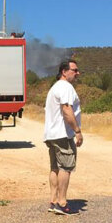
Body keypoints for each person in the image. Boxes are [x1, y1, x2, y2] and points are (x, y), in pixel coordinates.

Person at [43, 59, 83, 215]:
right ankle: (62, 203)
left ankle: (53, 201)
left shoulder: (54, 88)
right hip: (63, 134)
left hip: (51, 135)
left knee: (55, 168)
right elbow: (67, 109)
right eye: (74, 70)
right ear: (64, 72)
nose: (77, 73)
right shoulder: (66, 87)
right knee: (66, 168)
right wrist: (77, 131)